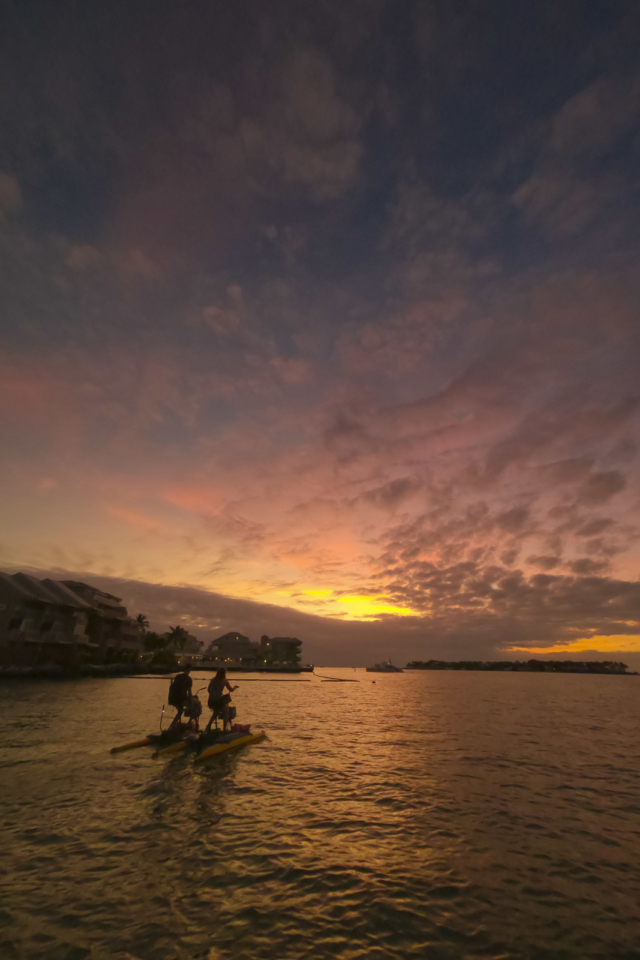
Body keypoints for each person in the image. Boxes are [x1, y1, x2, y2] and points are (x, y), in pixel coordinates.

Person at [205, 668, 238, 734]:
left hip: (211, 701)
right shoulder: (224, 681)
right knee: (226, 711)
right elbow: (231, 690)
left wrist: (213, 694)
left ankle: (208, 726)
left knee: (216, 712)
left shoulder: (213, 680)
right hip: (218, 701)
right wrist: (235, 687)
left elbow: (208, 690)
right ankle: (224, 730)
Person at [167, 663, 193, 730]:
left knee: (180, 711)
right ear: (189, 670)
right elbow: (189, 692)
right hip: (181, 698)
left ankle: (174, 726)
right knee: (195, 706)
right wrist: (191, 701)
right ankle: (188, 723)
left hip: (173, 697)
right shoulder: (189, 679)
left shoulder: (178, 676)